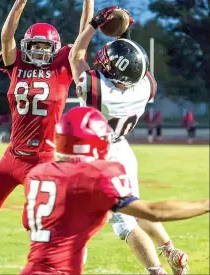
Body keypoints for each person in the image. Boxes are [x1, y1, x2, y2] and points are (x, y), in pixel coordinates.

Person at [69, 7, 188, 275]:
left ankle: (155, 271)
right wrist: (123, 30)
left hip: (101, 157)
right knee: (137, 205)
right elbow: (131, 59)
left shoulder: (97, 89)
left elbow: (76, 55)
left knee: (125, 224)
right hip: (122, 150)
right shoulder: (146, 86)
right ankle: (170, 249)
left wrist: (93, 23)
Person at [21, 106, 209, 275]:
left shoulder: (36, 175)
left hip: (32, 269)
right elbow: (152, 211)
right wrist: (205, 204)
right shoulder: (94, 177)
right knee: (128, 223)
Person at [0, 0, 97, 258]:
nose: (37, 50)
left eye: (43, 46)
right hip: (12, 156)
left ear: (54, 48)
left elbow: (82, 39)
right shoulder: (17, 62)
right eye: (33, 45)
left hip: (44, 159)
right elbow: (6, 35)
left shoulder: (62, 65)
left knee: (41, 224)